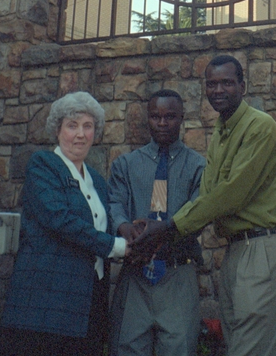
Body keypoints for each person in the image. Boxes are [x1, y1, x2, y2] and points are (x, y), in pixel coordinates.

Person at [132, 55, 276, 356]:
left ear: (242, 86)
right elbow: (206, 195)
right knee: (237, 346)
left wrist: (169, 228)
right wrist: (162, 230)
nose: (218, 90)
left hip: (262, 248)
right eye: (212, 84)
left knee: (251, 349)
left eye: (227, 83)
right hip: (235, 250)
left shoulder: (260, 127)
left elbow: (231, 194)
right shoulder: (221, 132)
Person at [0, 91, 127, 356]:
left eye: (88, 126)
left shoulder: (97, 181)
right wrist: (116, 246)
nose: (80, 134)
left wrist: (136, 233)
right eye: (72, 125)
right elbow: (60, 220)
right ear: (57, 130)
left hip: (89, 303)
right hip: (45, 304)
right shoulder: (43, 166)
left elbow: (107, 225)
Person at [107, 90, 205, 356]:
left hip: (177, 275)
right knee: (125, 348)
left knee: (178, 348)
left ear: (182, 118)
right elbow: (114, 203)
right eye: (155, 116)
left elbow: (200, 213)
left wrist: (165, 232)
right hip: (135, 276)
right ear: (147, 119)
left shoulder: (199, 167)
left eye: (170, 116)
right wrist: (124, 227)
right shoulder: (125, 165)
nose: (162, 123)